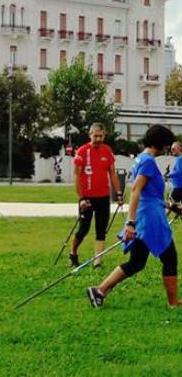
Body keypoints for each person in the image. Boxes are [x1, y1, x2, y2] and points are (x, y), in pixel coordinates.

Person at [87, 124, 179, 308]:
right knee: (170, 257)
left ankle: (99, 291)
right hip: (149, 220)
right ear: (160, 144)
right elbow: (136, 190)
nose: (168, 148)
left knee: (137, 262)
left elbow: (149, 193)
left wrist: (171, 206)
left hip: (148, 214)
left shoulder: (141, 159)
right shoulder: (148, 162)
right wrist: (130, 223)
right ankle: (173, 303)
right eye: (167, 144)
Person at [69, 123, 122, 268]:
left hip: (103, 197)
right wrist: (81, 198)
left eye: (101, 136)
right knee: (83, 230)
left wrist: (118, 193)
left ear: (104, 135)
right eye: (95, 135)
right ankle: (73, 252)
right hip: (87, 198)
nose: (98, 138)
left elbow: (112, 173)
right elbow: (77, 176)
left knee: (101, 229)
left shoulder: (107, 150)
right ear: (90, 134)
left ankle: (97, 261)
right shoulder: (82, 151)